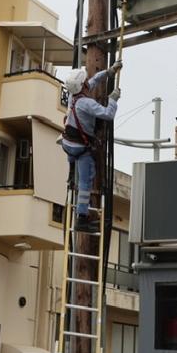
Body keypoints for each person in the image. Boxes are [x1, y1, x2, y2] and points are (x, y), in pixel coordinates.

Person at [61, 61, 122, 231]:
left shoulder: (75, 95)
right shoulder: (86, 103)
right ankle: (82, 218)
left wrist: (109, 72)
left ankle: (74, 174)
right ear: (81, 84)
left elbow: (94, 80)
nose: (88, 81)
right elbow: (108, 114)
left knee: (81, 173)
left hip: (68, 143)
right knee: (86, 182)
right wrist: (113, 100)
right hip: (80, 147)